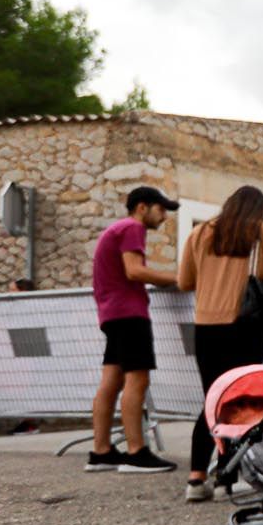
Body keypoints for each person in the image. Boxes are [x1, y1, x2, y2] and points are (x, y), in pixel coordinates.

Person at [179, 187, 263, 502]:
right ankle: (226, 478)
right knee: (239, 402)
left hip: (205, 326)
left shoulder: (200, 232)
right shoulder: (257, 230)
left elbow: (184, 281)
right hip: (246, 325)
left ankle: (195, 478)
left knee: (213, 400)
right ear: (259, 210)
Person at [87, 186, 180, 474]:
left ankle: (101, 451)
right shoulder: (131, 228)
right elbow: (134, 271)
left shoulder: (115, 229)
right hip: (129, 313)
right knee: (137, 380)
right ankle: (136, 451)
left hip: (111, 313)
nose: (164, 216)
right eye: (160, 209)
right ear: (142, 207)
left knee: (111, 382)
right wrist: (175, 278)